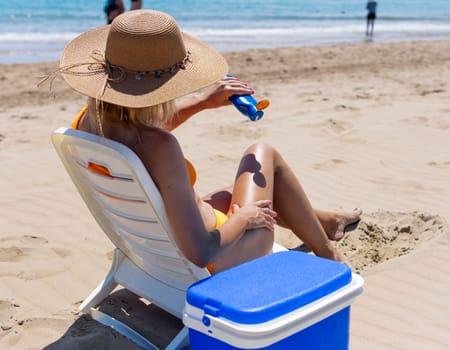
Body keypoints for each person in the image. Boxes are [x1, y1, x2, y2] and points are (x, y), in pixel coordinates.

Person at [56, 10, 362, 273]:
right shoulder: (160, 147)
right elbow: (200, 252)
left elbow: (142, 132)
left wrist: (203, 102)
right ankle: (328, 253)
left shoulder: (89, 121)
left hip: (153, 245)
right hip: (219, 258)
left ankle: (327, 220)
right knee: (262, 154)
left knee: (243, 190)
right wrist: (243, 218)